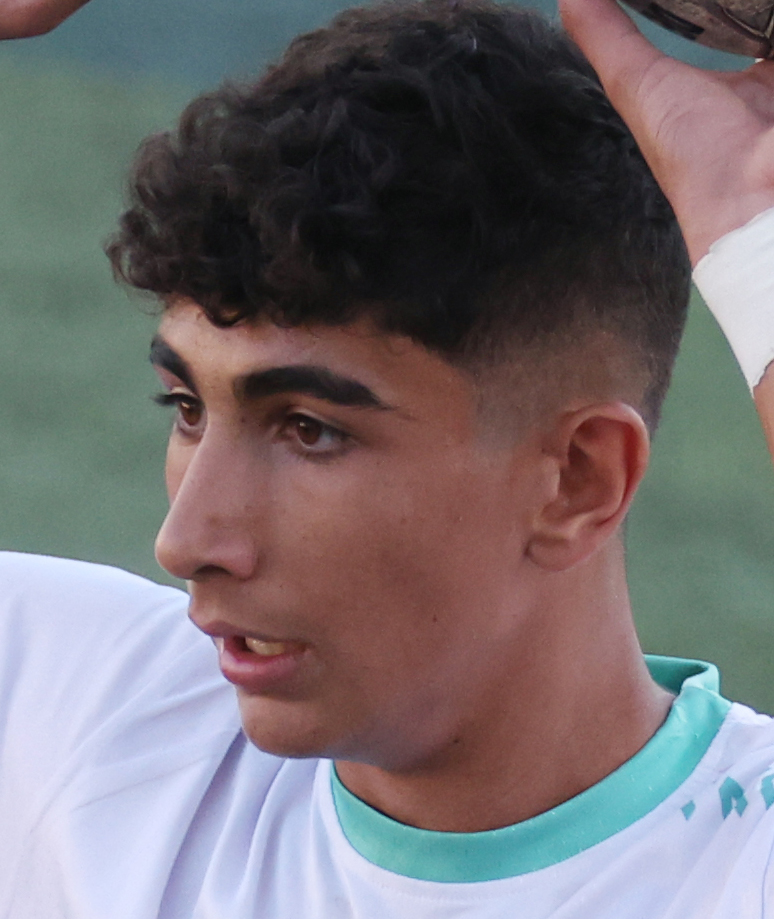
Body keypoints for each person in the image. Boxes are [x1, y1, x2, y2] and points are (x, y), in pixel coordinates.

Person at [3, 0, 774, 916]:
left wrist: (754, 241)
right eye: (187, 409)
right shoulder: (67, 712)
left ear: (578, 479)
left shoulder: (742, 867)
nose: (188, 539)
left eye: (308, 429)